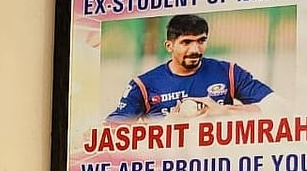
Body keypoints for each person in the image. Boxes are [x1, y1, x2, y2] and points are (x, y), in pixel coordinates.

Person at [106, 14, 273, 121]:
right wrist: (165, 125)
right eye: (186, 42)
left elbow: (278, 107)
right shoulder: (143, 85)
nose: (195, 49)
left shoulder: (228, 72)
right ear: (169, 46)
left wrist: (225, 111)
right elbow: (109, 133)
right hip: (165, 170)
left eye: (201, 41)